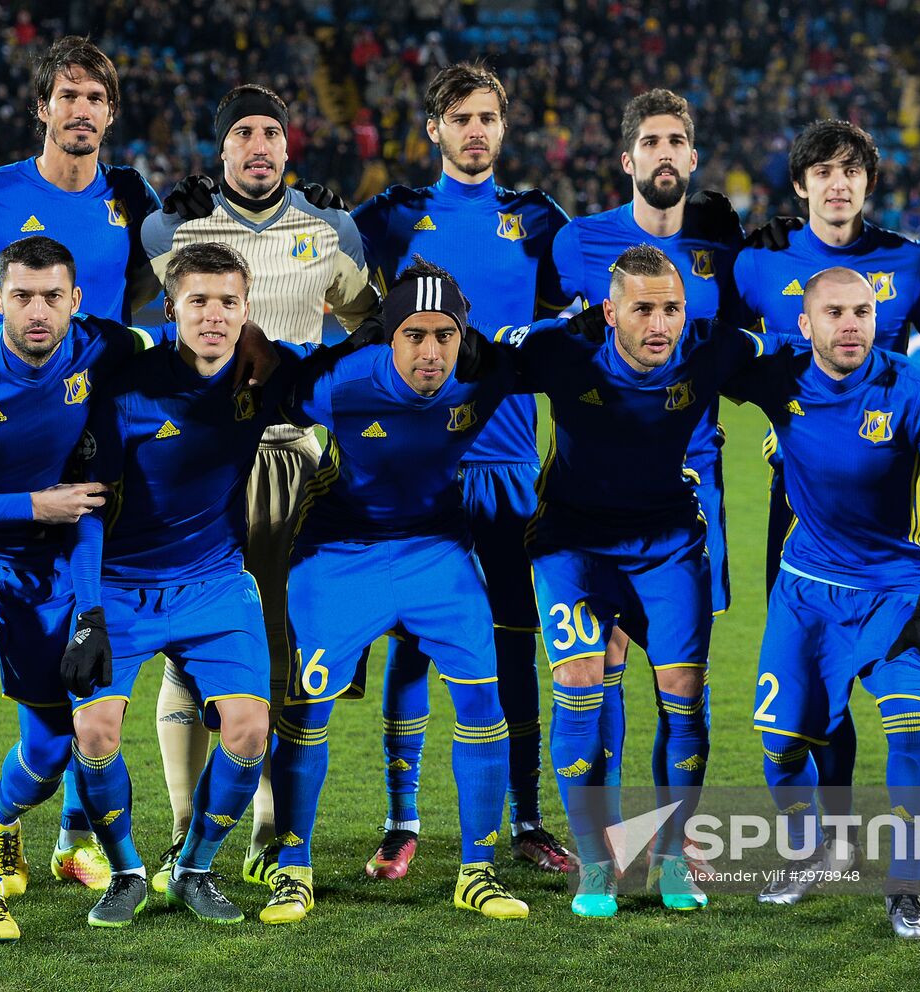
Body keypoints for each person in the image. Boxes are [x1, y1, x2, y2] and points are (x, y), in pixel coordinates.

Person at [0, 36, 160, 899]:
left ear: (111, 112)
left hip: (96, 467)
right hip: (1, 466)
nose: (82, 110)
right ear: (42, 107)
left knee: (81, 675)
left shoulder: (132, 201)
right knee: (17, 675)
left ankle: (70, 839)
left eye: (97, 96)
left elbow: (178, 286)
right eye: (68, 95)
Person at [138, 82, 378, 890]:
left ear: (289, 143)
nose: (259, 144)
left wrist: (324, 401)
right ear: (221, 147)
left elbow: (370, 325)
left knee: (287, 648)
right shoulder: (175, 228)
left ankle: (273, 835)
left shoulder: (330, 229)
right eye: (241, 131)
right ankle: (183, 826)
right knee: (190, 642)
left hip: (293, 466)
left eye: (271, 130)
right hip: (203, 464)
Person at [0, 236, 162, 943]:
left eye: (52, 297)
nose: (38, 312)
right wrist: (33, 505)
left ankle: (1, 818)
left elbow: (196, 330)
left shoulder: (104, 351)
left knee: (51, 748)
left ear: (76, 301)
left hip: (45, 562)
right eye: (22, 297)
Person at [349, 60, 574, 878]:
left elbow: (598, 294)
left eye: (488, 118)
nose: (476, 131)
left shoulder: (539, 219)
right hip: (422, 465)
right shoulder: (396, 216)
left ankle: (527, 819)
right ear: (435, 129)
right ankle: (400, 821)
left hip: (511, 465)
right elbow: (322, 268)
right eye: (461, 118)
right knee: (413, 639)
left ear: (502, 129)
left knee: (518, 644)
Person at [734, 120, 920, 883]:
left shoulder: (912, 260)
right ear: (800, 185)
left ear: (870, 184)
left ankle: (917, 845)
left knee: (906, 692)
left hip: (894, 497)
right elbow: (715, 352)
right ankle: (828, 844)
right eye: (823, 173)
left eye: (853, 172)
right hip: (798, 506)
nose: (839, 185)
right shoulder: (758, 262)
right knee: (810, 700)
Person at [500, 244, 765, 918]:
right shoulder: (568, 351)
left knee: (683, 693)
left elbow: (793, 363)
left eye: (671, 308)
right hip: (573, 546)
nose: (660, 323)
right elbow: (488, 349)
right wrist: (549, 331)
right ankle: (597, 865)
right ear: (611, 311)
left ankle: (674, 856)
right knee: (582, 680)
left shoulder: (711, 350)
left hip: (668, 544)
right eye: (643, 308)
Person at [262, 259, 528, 924]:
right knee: (307, 709)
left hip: (437, 552)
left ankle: (479, 870)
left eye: (445, 334)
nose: (431, 350)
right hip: (338, 556)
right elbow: (267, 375)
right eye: (414, 334)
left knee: (482, 697)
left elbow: (561, 351)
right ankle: (292, 868)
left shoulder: (484, 372)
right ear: (389, 337)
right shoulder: (343, 382)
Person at [723, 267, 920, 939]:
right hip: (807, 586)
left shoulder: (914, 387)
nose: (850, 324)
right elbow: (699, 357)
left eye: (863, 311)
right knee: (780, 750)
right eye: (834, 312)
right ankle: (815, 849)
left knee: (908, 718)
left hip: (896, 587)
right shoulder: (778, 372)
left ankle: (904, 889)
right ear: (804, 324)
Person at [62, 243, 291, 928]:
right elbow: (87, 504)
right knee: (94, 731)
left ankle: (193, 869)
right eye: (198, 301)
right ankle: (128, 872)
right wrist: (89, 613)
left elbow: (354, 371)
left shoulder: (267, 378)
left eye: (228, 303)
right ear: (171, 308)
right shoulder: (127, 387)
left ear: (247, 311)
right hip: (125, 586)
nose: (213, 316)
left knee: (250, 731)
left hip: (215, 582)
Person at [547, 89, 742, 857]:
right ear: (628, 160)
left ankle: (670, 840)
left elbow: (763, 349)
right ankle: (612, 839)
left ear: (693, 159)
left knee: (681, 670)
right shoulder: (577, 244)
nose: (665, 154)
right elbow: (548, 344)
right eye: (651, 142)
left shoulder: (725, 255)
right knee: (604, 662)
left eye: (677, 142)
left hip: (692, 484)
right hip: (598, 487)